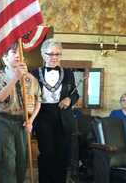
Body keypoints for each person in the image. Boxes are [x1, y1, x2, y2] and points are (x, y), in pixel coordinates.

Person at [0, 42, 41, 183]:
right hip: (5, 122)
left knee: (21, 162)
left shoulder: (30, 78)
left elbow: (38, 100)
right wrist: (16, 77)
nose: (18, 55)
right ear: (5, 58)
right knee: (7, 161)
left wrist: (31, 120)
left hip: (22, 124)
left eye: (20, 52)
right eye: (14, 52)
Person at [32, 38, 79, 183]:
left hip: (63, 116)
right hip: (43, 115)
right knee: (47, 153)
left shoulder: (69, 73)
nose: (54, 58)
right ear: (42, 54)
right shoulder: (33, 73)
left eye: (58, 54)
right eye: (51, 54)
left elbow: (75, 93)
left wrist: (70, 100)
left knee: (62, 154)